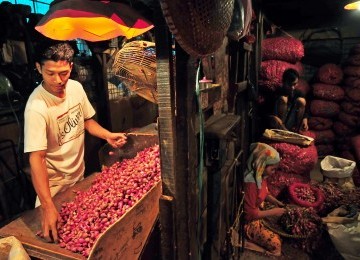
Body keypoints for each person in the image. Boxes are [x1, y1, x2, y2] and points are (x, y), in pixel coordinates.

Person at [24, 41, 127, 243]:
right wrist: (47, 206)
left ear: (71, 66)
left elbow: (87, 120)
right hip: (52, 189)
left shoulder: (76, 88)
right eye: (50, 73)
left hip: (78, 178)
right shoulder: (36, 108)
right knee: (54, 241)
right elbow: (37, 158)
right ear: (38, 68)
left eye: (63, 72)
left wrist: (107, 135)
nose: (58, 80)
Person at [243, 142, 286, 256]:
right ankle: (254, 247)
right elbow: (249, 215)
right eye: (273, 169)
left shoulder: (261, 175)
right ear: (261, 164)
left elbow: (264, 194)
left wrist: (277, 203)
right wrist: (273, 212)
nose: (274, 172)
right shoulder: (251, 183)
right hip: (249, 222)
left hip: (258, 211)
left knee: (282, 230)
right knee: (276, 244)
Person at [268, 68, 309, 133]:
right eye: (289, 84)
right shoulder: (276, 93)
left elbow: (306, 110)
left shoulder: (298, 93)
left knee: (302, 101)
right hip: (279, 125)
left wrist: (305, 119)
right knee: (283, 99)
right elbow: (268, 112)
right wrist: (274, 117)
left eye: (294, 84)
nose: (292, 87)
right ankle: (283, 131)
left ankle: (296, 129)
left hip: (290, 123)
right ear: (284, 82)